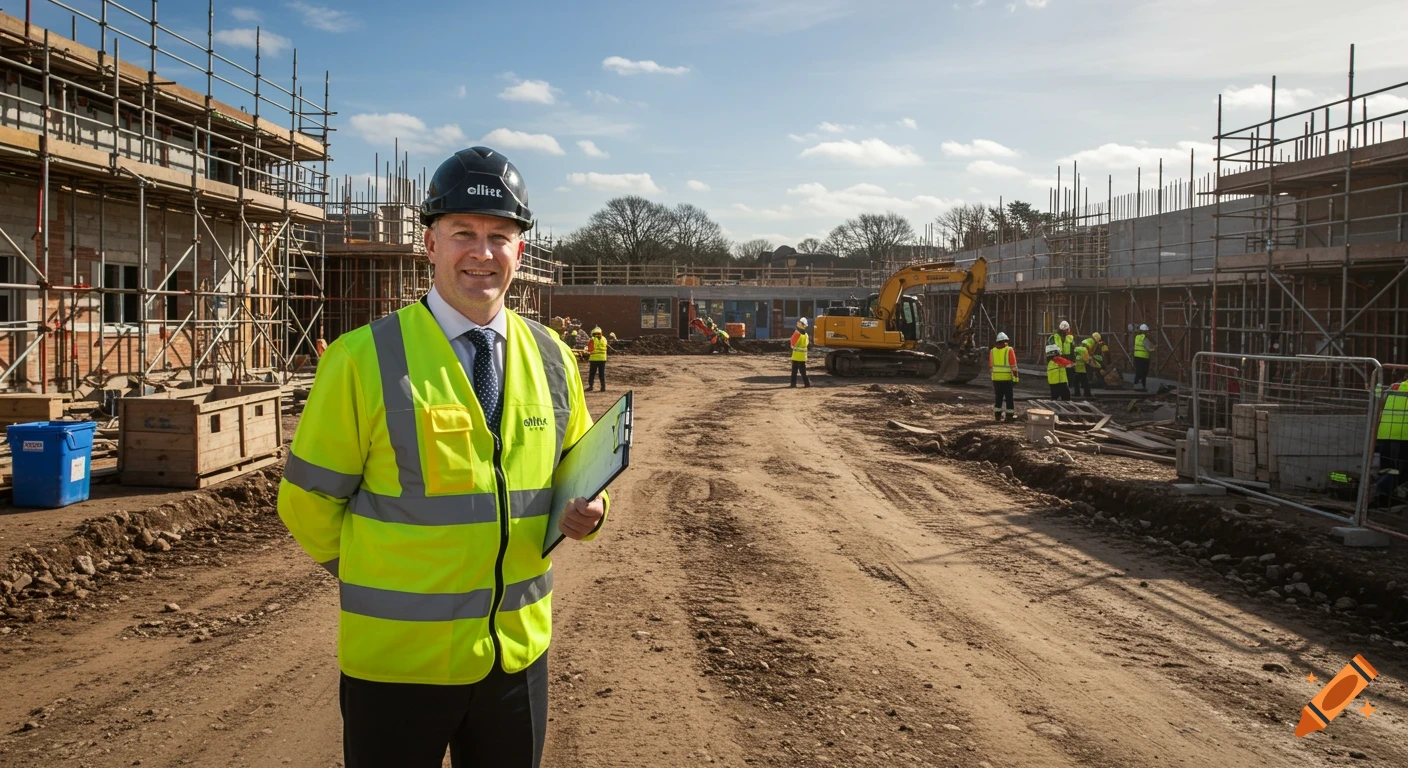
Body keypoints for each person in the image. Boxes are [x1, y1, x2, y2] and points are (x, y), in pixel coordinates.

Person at [277, 146, 609, 768]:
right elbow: (307, 504)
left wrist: (593, 509)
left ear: (520, 250)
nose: (481, 253)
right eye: (462, 233)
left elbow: (581, 472)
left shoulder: (555, 357)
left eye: (499, 236)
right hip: (400, 662)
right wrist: (388, 578)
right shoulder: (360, 359)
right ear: (429, 243)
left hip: (516, 656)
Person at [1374, 378, 1408, 505]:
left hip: (1385, 434)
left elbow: (1379, 403)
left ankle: (1381, 498)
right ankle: (1383, 494)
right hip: (1404, 436)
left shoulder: (1395, 387)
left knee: (1388, 469)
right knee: (1401, 471)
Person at [990, 331, 1018, 422]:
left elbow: (991, 366)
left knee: (998, 397)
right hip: (1006, 378)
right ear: (1005, 341)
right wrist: (1016, 377)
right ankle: (1009, 416)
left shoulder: (992, 351)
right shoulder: (1009, 350)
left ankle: (997, 415)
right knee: (1009, 398)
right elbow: (1013, 366)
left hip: (996, 379)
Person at [1133, 323, 1156, 391]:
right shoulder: (1145, 338)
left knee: (1138, 371)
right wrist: (1154, 348)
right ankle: (1143, 386)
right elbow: (1149, 348)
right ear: (1146, 331)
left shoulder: (1137, 337)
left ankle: (1136, 385)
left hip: (1136, 356)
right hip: (1144, 357)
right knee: (1144, 372)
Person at [790, 317, 811, 388]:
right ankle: (807, 384)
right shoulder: (806, 335)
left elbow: (792, 343)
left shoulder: (797, 334)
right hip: (802, 357)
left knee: (794, 372)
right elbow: (807, 344)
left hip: (796, 356)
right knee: (803, 372)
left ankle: (793, 384)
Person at [587, 326, 608, 391]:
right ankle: (603, 387)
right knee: (601, 374)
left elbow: (590, 349)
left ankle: (591, 386)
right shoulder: (604, 339)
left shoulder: (592, 339)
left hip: (594, 359)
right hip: (602, 359)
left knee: (592, 373)